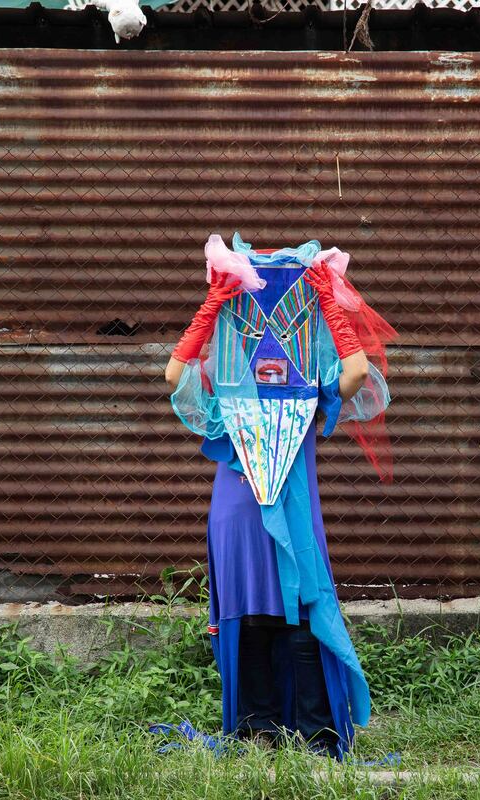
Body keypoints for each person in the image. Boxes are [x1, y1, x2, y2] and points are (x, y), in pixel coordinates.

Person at [163, 233, 394, 760]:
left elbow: (358, 373)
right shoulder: (226, 391)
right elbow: (174, 375)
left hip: (291, 509)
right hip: (237, 515)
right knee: (250, 614)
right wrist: (212, 304)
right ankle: (256, 732)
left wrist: (330, 305)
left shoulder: (309, 385)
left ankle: (316, 736)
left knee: (302, 609)